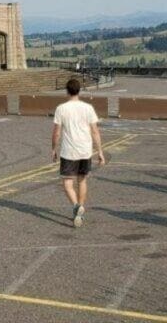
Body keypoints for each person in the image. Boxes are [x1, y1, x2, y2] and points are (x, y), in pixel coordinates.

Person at [51, 78, 105, 228]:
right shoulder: (88, 108)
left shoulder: (61, 108)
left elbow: (56, 133)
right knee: (82, 180)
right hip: (85, 151)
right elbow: (95, 131)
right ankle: (79, 210)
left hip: (69, 151)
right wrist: (100, 151)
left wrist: (53, 149)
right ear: (79, 90)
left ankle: (76, 206)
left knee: (67, 183)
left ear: (67, 91)